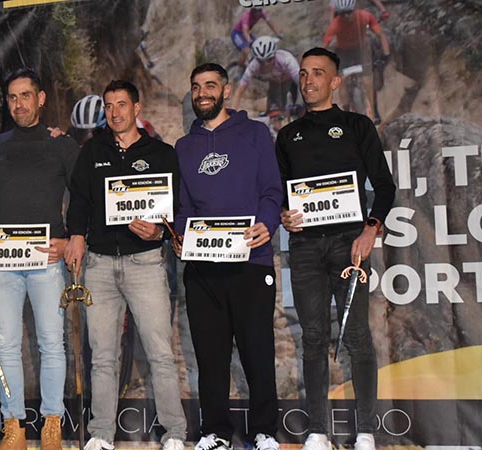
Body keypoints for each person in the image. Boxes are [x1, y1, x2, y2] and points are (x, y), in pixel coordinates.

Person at [275, 47, 395, 450]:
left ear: (335, 81)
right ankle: (317, 432)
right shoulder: (287, 135)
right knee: (312, 337)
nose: (308, 81)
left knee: (357, 336)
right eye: (303, 73)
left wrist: (371, 229)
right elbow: (281, 194)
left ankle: (366, 432)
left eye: (318, 73)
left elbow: (385, 186)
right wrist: (284, 215)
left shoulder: (357, 126)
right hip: (305, 248)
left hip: (350, 246)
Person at [0, 67, 78, 450]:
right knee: (6, 345)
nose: (19, 104)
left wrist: (71, 238)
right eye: (12, 97)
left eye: (26, 95)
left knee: (51, 343)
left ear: (40, 99)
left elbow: (83, 197)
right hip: (2, 262)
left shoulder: (61, 145)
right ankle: (14, 424)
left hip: (47, 260)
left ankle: (52, 424)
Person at [64, 80, 187, 450]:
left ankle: (175, 433)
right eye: (109, 105)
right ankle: (101, 434)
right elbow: (79, 200)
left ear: (137, 108)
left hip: (145, 263)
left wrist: (160, 232)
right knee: (102, 357)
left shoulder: (161, 153)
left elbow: (175, 208)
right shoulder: (92, 151)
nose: (115, 112)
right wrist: (76, 235)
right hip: (99, 265)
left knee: (160, 353)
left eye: (121, 104)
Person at [172, 63, 283, 450]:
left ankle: (264, 431)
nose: (202, 93)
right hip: (203, 269)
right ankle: (215, 432)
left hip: (251, 262)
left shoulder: (255, 134)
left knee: (258, 352)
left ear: (226, 91)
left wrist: (268, 223)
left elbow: (272, 190)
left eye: (210, 85)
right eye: (196, 87)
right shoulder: (184, 147)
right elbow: (183, 206)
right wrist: (180, 236)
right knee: (210, 356)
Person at [323, 0, 391, 123]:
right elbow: (326, 47)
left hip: (361, 49)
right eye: (342, 14)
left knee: (368, 80)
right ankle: (346, 112)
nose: (346, 16)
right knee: (343, 81)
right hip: (343, 52)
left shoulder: (365, 16)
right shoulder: (335, 25)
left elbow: (380, 35)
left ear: (354, 10)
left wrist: (386, 54)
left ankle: (374, 111)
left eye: (348, 12)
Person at [232, 36, 300, 116]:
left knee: (300, 110)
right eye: (261, 61)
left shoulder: (286, 59)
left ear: (274, 55)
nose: (266, 64)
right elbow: (240, 90)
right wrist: (232, 114)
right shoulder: (254, 66)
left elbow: (301, 83)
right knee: (275, 115)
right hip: (275, 84)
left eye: (269, 59)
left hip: (292, 81)